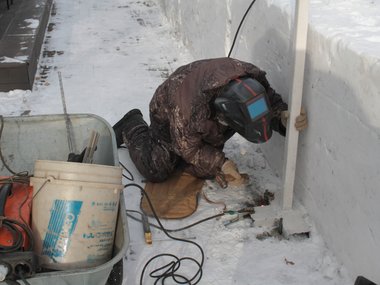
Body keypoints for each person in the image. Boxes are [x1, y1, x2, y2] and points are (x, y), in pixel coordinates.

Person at [113, 57, 307, 188]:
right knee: (157, 168)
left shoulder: (252, 79)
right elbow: (188, 148)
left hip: (204, 115)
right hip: (168, 113)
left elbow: (267, 102)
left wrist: (283, 117)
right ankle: (132, 124)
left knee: (203, 168)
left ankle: (191, 155)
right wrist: (222, 163)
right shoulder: (187, 108)